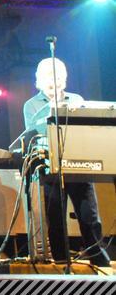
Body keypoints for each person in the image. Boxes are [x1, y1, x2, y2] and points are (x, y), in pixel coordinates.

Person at [23, 58, 110, 267]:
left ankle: (99, 259)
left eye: (58, 76)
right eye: (49, 76)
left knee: (89, 216)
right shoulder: (31, 105)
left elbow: (85, 129)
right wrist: (52, 109)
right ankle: (62, 261)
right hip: (50, 167)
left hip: (78, 165)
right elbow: (34, 134)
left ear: (64, 78)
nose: (54, 80)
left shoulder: (76, 99)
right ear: (39, 80)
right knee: (56, 218)